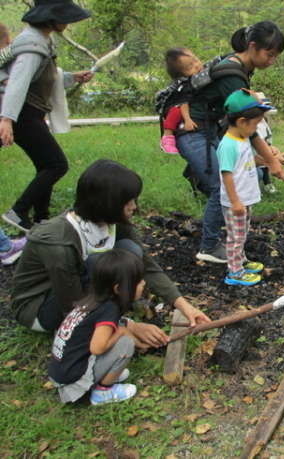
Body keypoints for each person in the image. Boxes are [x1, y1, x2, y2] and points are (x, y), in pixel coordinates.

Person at [10, 159, 210, 341]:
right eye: (128, 201)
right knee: (100, 264)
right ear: (107, 203)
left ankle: (110, 314)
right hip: (42, 308)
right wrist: (128, 328)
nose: (134, 207)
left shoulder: (111, 221)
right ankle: (101, 322)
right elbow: (72, 304)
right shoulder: (59, 244)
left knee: (130, 251)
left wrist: (184, 306)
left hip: (78, 289)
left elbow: (147, 266)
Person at [177, 21, 284, 264]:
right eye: (269, 55)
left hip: (211, 130)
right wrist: (270, 160)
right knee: (223, 186)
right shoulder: (233, 74)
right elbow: (247, 127)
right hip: (193, 132)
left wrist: (266, 157)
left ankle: (219, 219)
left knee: (243, 176)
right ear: (252, 46)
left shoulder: (242, 68)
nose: (272, 61)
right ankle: (208, 246)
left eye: (275, 56)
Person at [0, 0, 95, 233]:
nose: (67, 21)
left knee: (46, 164)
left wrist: (73, 77)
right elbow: (18, 84)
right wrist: (7, 120)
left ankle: (42, 219)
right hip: (23, 113)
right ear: (49, 18)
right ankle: (18, 212)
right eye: (63, 16)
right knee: (56, 165)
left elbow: (43, 78)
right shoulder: (33, 45)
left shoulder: (41, 39)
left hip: (28, 112)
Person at [48, 249, 143, 405]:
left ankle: (104, 373)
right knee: (125, 343)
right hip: (73, 381)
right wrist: (121, 332)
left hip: (61, 371)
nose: (143, 284)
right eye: (138, 282)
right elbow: (97, 349)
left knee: (118, 334)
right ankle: (103, 391)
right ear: (118, 289)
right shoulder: (109, 309)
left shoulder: (92, 301)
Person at [217, 90, 272, 286]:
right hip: (236, 202)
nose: (256, 128)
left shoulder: (242, 139)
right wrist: (235, 201)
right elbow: (226, 174)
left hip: (244, 199)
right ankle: (235, 272)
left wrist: (267, 160)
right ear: (241, 122)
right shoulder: (228, 145)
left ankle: (240, 261)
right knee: (236, 237)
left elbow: (245, 163)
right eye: (255, 124)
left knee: (242, 233)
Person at [158, 47, 204, 154]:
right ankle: (167, 137)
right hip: (174, 104)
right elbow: (183, 102)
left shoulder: (201, 75)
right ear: (182, 74)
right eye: (190, 67)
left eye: (196, 60)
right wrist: (187, 120)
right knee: (176, 111)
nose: (196, 66)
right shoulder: (184, 84)